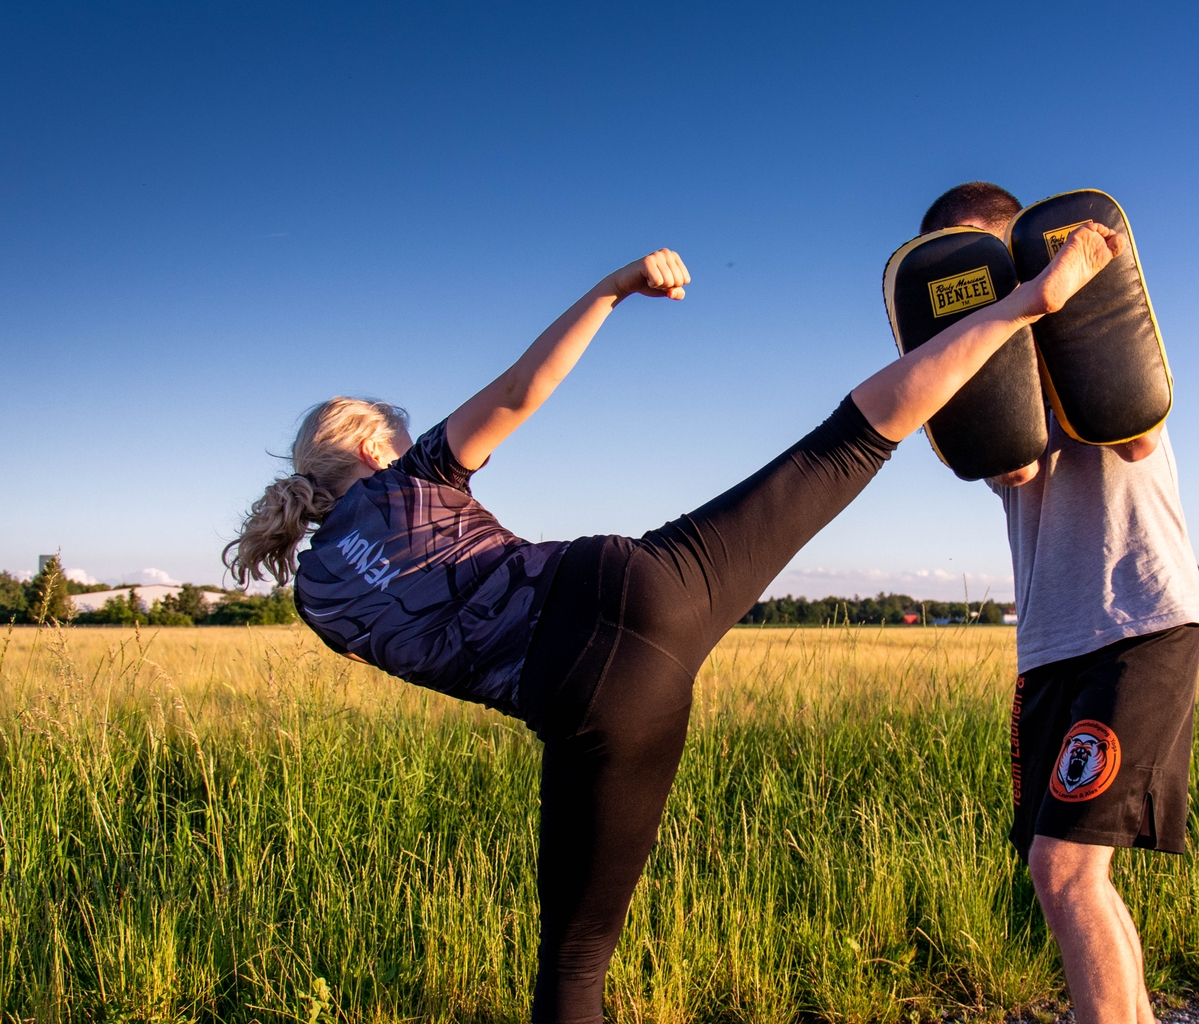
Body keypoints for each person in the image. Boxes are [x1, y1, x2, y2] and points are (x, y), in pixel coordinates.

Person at [224, 229, 1126, 1024]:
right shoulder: (404, 477)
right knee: (843, 444)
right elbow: (525, 385)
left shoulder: (318, 602)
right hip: (622, 590)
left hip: (596, 712)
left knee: (574, 965)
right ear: (373, 443)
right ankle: (1026, 305)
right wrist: (613, 287)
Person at [920, 182, 1199, 1024]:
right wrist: (996, 328)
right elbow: (1011, 468)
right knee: (1076, 873)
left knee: (1064, 871)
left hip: (1138, 617)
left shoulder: (1096, 324)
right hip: (1052, 640)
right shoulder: (982, 362)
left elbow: (1135, 432)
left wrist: (1057, 297)